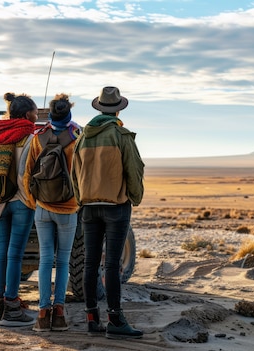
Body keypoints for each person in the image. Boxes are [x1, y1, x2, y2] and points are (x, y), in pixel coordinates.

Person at [71, 86, 145, 339]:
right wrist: (135, 197)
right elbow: (133, 170)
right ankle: (115, 320)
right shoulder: (121, 135)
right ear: (118, 109)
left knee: (90, 263)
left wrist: (82, 200)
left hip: (88, 208)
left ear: (99, 108)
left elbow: (74, 175)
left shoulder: (82, 138)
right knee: (112, 265)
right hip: (116, 206)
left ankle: (92, 319)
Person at [23, 93, 81, 332]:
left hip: (43, 208)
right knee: (64, 260)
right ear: (69, 114)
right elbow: (82, 174)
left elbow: (27, 174)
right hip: (68, 207)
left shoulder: (38, 138)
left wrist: (34, 202)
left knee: (45, 259)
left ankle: (43, 313)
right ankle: (59, 313)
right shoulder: (78, 137)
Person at [0, 92, 38, 327]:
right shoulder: (30, 137)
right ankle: (11, 308)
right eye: (36, 113)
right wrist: (30, 199)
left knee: (1, 253)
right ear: (28, 114)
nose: (37, 116)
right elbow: (27, 174)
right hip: (21, 202)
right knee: (15, 254)